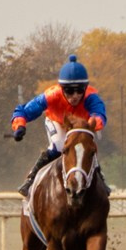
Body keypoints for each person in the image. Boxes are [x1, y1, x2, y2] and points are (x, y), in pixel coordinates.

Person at [10, 54, 109, 194]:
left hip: (80, 125)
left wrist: (93, 123)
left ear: (85, 88)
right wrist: (20, 126)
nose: (75, 95)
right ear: (61, 88)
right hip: (56, 121)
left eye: (80, 90)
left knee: (86, 146)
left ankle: (100, 179)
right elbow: (24, 111)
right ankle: (31, 178)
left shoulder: (91, 97)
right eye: (69, 90)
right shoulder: (52, 95)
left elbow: (100, 114)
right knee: (59, 145)